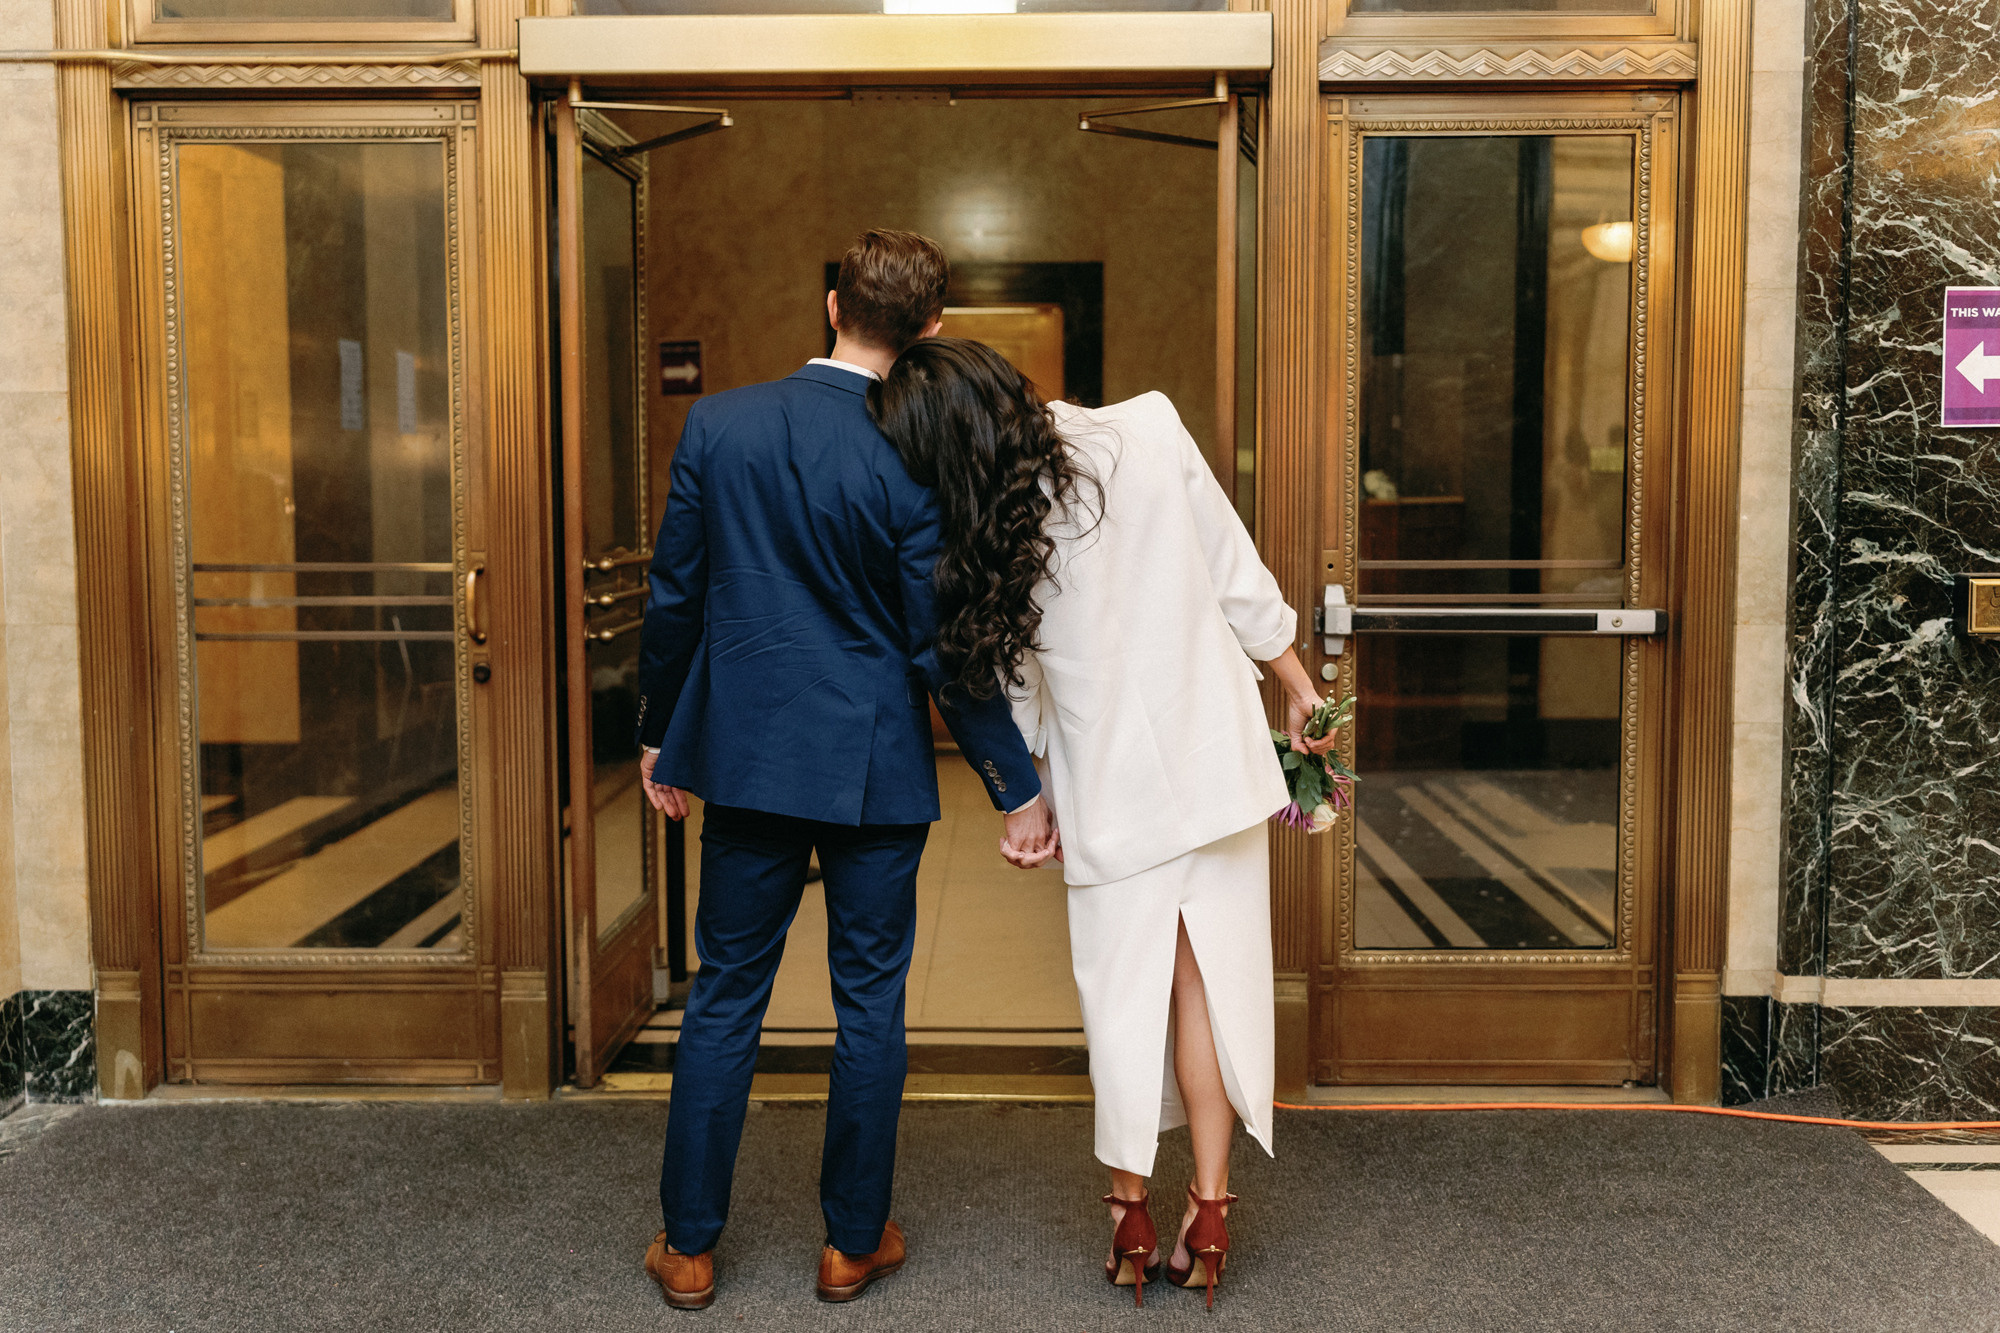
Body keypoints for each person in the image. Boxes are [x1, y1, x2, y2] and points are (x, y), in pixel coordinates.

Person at [632, 233, 1053, 1310]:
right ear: (930, 329)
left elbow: (676, 596)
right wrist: (1015, 783)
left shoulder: (718, 424)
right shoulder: (917, 453)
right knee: (870, 1003)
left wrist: (656, 732)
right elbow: (938, 642)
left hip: (749, 758)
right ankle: (850, 1243)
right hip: (872, 768)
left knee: (725, 995)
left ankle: (687, 1247)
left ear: (830, 306)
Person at [868, 338, 1335, 1308]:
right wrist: (1298, 688)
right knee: (1209, 991)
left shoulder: (986, 527)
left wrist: (1027, 800)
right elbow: (1233, 572)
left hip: (1110, 791)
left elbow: (1017, 688)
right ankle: (1209, 1208)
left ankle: (1129, 1213)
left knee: (1124, 1002)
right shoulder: (1154, 425)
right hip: (1214, 770)